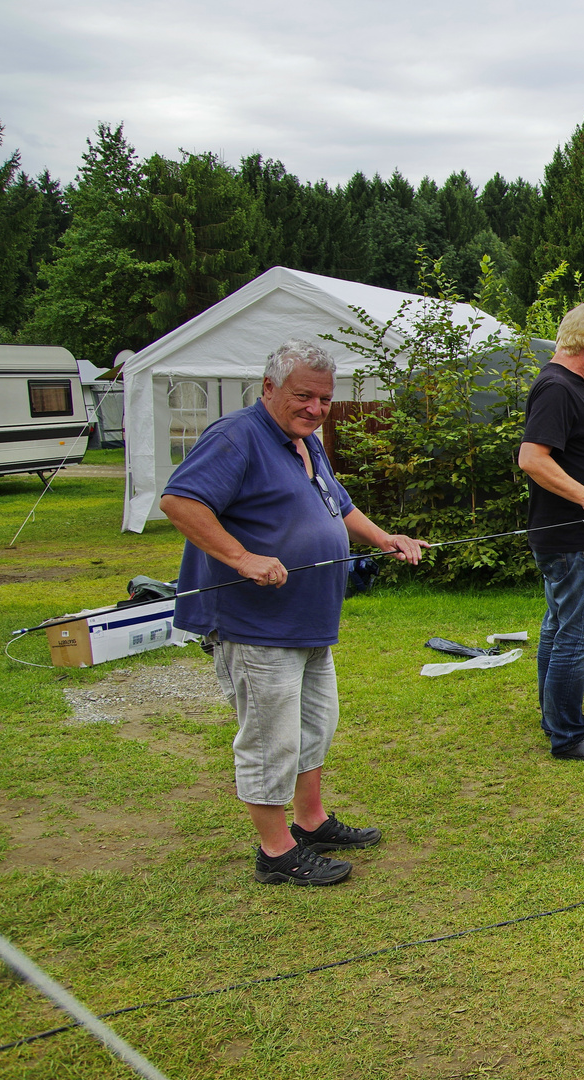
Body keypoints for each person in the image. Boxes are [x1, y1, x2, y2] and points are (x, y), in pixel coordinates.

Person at [160, 339, 429, 887]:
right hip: (256, 623)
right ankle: (276, 853)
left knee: (315, 725)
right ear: (268, 387)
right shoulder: (238, 436)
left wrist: (383, 538)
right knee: (270, 737)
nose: (315, 408)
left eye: (324, 399)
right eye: (303, 395)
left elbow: (338, 503)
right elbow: (180, 501)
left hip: (307, 620)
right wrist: (242, 557)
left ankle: (310, 821)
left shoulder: (304, 441)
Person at [517, 303, 584, 762]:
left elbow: (572, 456)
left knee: (559, 628)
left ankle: (558, 717)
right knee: (579, 634)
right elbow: (532, 458)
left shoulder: (569, 387)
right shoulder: (557, 387)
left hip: (573, 536)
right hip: (572, 536)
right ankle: (567, 735)